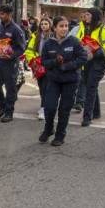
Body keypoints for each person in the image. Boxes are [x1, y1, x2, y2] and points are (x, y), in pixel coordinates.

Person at [39, 16, 87, 146]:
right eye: (61, 26)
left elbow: (83, 58)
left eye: (66, 26)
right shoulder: (48, 43)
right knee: (49, 107)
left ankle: (60, 135)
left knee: (64, 109)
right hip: (54, 80)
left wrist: (66, 66)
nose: (64, 28)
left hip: (70, 80)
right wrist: (55, 62)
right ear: (54, 27)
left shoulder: (74, 42)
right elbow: (43, 61)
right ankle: (48, 129)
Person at [77, 7, 105, 127]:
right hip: (86, 61)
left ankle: (87, 117)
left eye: (88, 14)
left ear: (94, 16)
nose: (85, 16)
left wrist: (95, 53)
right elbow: (78, 41)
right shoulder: (83, 28)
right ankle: (96, 112)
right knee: (91, 86)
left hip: (99, 62)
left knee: (91, 87)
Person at [0, 4, 26, 123]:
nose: (0, 16)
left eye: (3, 14)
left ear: (10, 15)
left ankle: (9, 112)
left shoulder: (16, 30)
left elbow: (21, 48)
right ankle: (2, 106)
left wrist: (11, 55)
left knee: (10, 88)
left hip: (10, 64)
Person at [24, 17, 54, 120]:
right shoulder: (36, 36)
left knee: (46, 88)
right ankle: (45, 106)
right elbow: (29, 50)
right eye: (42, 24)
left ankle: (43, 108)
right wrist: (33, 61)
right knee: (41, 88)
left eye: (46, 24)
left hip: (49, 66)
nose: (43, 26)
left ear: (50, 25)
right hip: (38, 66)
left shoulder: (53, 36)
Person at [71, 10, 91, 113]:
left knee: (83, 81)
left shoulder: (93, 28)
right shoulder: (76, 29)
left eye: (86, 16)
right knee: (75, 80)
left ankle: (79, 102)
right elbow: (69, 39)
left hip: (88, 58)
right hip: (77, 57)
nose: (84, 18)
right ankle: (72, 100)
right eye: (83, 16)